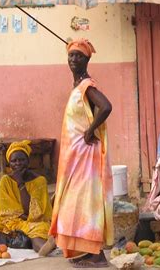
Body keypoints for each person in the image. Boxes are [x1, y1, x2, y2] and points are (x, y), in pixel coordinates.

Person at [49, 38, 113, 268]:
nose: (74, 59)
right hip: (75, 156)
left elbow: (106, 106)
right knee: (75, 205)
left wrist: (91, 129)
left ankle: (98, 255)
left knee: (87, 204)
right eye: (71, 55)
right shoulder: (78, 86)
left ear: (87, 60)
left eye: (79, 56)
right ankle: (87, 250)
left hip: (87, 156)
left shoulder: (87, 85)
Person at [0, 140, 52, 253]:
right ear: (9, 163)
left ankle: (41, 247)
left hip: (31, 223)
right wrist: (18, 216)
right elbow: (4, 211)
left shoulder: (39, 181)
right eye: (14, 161)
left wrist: (21, 183)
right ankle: (10, 239)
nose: (18, 164)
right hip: (8, 222)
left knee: (41, 230)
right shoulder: (5, 180)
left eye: (22, 160)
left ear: (28, 161)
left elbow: (33, 213)